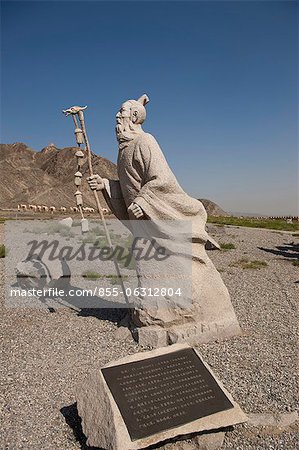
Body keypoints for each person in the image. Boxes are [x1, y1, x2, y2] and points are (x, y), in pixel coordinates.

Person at [88, 95, 240, 342]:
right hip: (144, 224)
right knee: (147, 270)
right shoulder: (124, 150)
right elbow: (129, 185)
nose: (117, 115)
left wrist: (142, 202)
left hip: (158, 217)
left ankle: (174, 317)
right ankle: (152, 317)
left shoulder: (145, 142)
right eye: (118, 111)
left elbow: (161, 180)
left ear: (135, 117)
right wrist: (105, 185)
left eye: (123, 111)